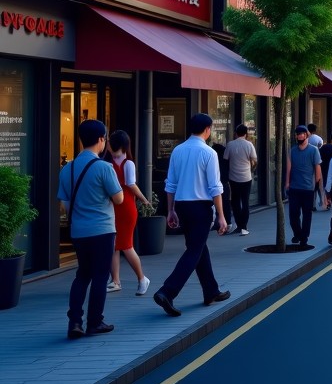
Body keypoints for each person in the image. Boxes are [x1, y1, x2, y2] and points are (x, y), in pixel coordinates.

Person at [153, 113, 230, 317]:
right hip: (200, 207)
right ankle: (167, 291)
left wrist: (171, 210)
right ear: (207, 129)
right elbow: (215, 187)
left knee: (198, 247)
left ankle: (211, 290)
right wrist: (221, 215)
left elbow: (170, 184)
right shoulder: (209, 153)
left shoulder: (177, 150)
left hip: (182, 206)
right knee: (194, 250)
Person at [57, 120, 123, 338]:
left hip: (78, 231)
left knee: (82, 275)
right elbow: (119, 198)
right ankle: (95, 322)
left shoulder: (67, 169)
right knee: (100, 276)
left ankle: (74, 322)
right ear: (101, 139)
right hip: (102, 229)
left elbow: (65, 204)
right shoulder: (104, 168)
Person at [106, 130, 150, 295]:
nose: (107, 145)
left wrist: (144, 199)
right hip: (113, 207)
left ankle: (142, 278)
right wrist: (144, 200)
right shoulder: (110, 163)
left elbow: (131, 184)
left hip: (125, 208)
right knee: (114, 245)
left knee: (125, 245)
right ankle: (115, 281)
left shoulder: (127, 163)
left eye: (110, 142)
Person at [285, 125, 322, 247]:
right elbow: (288, 168)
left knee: (307, 215)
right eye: (298, 134)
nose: (300, 136)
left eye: (302, 134)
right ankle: (298, 233)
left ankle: (304, 237)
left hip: (308, 189)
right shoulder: (292, 151)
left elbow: (317, 168)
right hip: (294, 188)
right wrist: (287, 183)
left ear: (306, 135)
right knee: (293, 215)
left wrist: (315, 183)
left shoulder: (313, 150)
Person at [222, 123, 257, 235]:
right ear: (246, 134)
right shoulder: (249, 145)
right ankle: (244, 227)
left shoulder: (230, 145)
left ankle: (239, 225)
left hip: (233, 177)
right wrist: (251, 169)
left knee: (235, 202)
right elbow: (254, 160)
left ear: (235, 133)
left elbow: (225, 159)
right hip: (246, 177)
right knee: (245, 202)